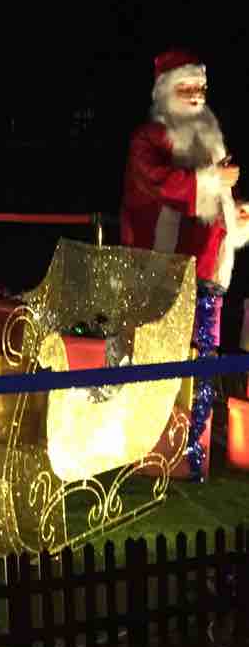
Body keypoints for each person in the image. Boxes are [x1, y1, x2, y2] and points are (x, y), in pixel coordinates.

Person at [121, 49, 249, 479]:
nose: (197, 95)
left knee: (204, 364)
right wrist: (211, 180)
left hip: (209, 271)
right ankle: (148, 451)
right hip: (167, 273)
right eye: (187, 87)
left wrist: (236, 212)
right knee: (157, 358)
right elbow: (161, 185)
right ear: (166, 91)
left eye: (202, 88)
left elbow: (216, 199)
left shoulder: (208, 139)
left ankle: (194, 457)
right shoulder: (148, 139)